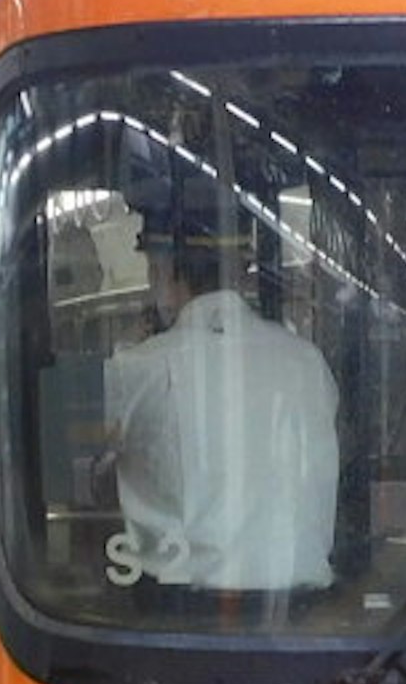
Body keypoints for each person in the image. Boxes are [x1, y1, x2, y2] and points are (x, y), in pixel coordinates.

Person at [103, 229, 340, 594]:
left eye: (152, 271)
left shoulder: (138, 366)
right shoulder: (307, 360)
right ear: (241, 273)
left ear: (168, 273)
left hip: (176, 610)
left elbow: (99, 469)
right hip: (303, 605)